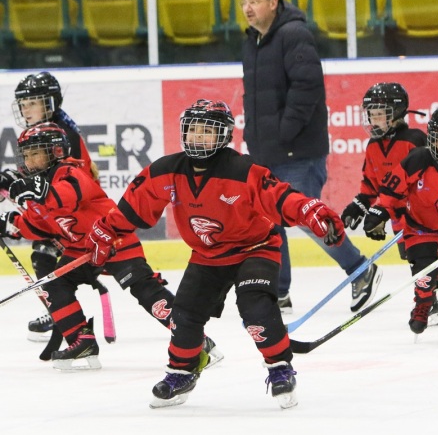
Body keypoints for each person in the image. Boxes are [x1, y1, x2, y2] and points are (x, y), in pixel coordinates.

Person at [85, 99, 345, 409]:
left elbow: (280, 196)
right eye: (193, 130)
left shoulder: (242, 169)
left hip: (256, 248)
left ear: (223, 136)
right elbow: (133, 206)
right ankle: (182, 370)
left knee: (255, 306)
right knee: (183, 316)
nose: (198, 137)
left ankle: (279, 367)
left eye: (207, 131)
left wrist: (309, 209)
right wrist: (107, 229)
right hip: (208, 255)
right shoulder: (166, 170)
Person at [0, 122, 223, 370]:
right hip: (81, 250)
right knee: (54, 283)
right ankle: (81, 341)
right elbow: (41, 225)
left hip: (113, 240)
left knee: (146, 291)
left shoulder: (71, 172)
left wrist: (33, 190)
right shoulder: (36, 188)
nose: (29, 160)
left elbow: (66, 196)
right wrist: (11, 224)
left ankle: (196, 340)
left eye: (36, 152)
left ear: (56, 151)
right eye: (26, 154)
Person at [240, 0, 381, 314]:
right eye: (244, 3)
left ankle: (360, 268)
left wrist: (283, 132)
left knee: (307, 217)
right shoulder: (253, 41)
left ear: (273, 3)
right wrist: (257, 137)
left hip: (296, 151)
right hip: (267, 151)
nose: (247, 9)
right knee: (268, 220)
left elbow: (307, 87)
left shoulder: (293, 34)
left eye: (255, 2)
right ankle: (279, 291)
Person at [0, 71, 98, 342]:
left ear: (50, 103)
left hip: (73, 215)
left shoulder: (62, 134)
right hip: (60, 211)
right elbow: (33, 175)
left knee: (44, 251)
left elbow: (68, 182)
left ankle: (61, 315)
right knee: (41, 252)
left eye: (31, 102)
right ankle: (60, 313)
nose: (25, 109)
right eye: (22, 103)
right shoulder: (39, 133)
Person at [363, 107, 438, 335]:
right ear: (432, 141)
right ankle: (423, 305)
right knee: (424, 272)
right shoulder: (418, 159)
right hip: (421, 228)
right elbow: (392, 188)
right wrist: (379, 212)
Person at [341, 82, 427, 305]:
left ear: (397, 114)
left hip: (423, 215)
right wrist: (358, 206)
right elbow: (372, 186)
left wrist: (384, 212)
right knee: (413, 259)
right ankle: (436, 290)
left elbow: (425, 182)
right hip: (400, 220)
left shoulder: (414, 140)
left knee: (424, 257)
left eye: (380, 115)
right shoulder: (373, 146)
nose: (374, 120)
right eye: (372, 114)